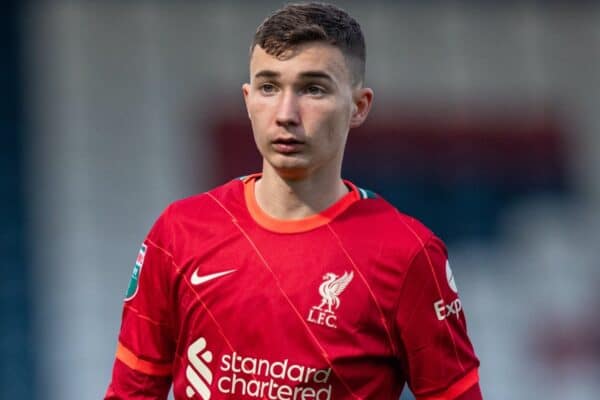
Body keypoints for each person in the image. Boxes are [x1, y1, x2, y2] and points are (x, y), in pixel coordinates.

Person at [105, 3, 482, 399]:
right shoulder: (180, 232)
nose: (286, 113)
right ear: (248, 99)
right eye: (269, 87)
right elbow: (132, 390)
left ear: (359, 106)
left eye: (313, 89)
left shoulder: (407, 254)